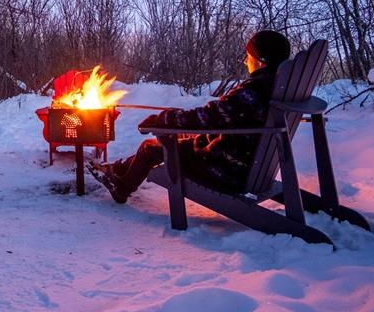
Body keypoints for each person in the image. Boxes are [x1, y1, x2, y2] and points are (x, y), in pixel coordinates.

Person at [89, 30, 292, 203]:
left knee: (150, 148)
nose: (244, 61)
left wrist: (164, 119)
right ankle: (120, 169)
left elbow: (207, 117)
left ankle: (121, 189)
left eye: (248, 56)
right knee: (177, 143)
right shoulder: (275, 87)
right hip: (246, 163)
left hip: (227, 169)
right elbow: (221, 117)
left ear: (260, 60)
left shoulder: (252, 91)